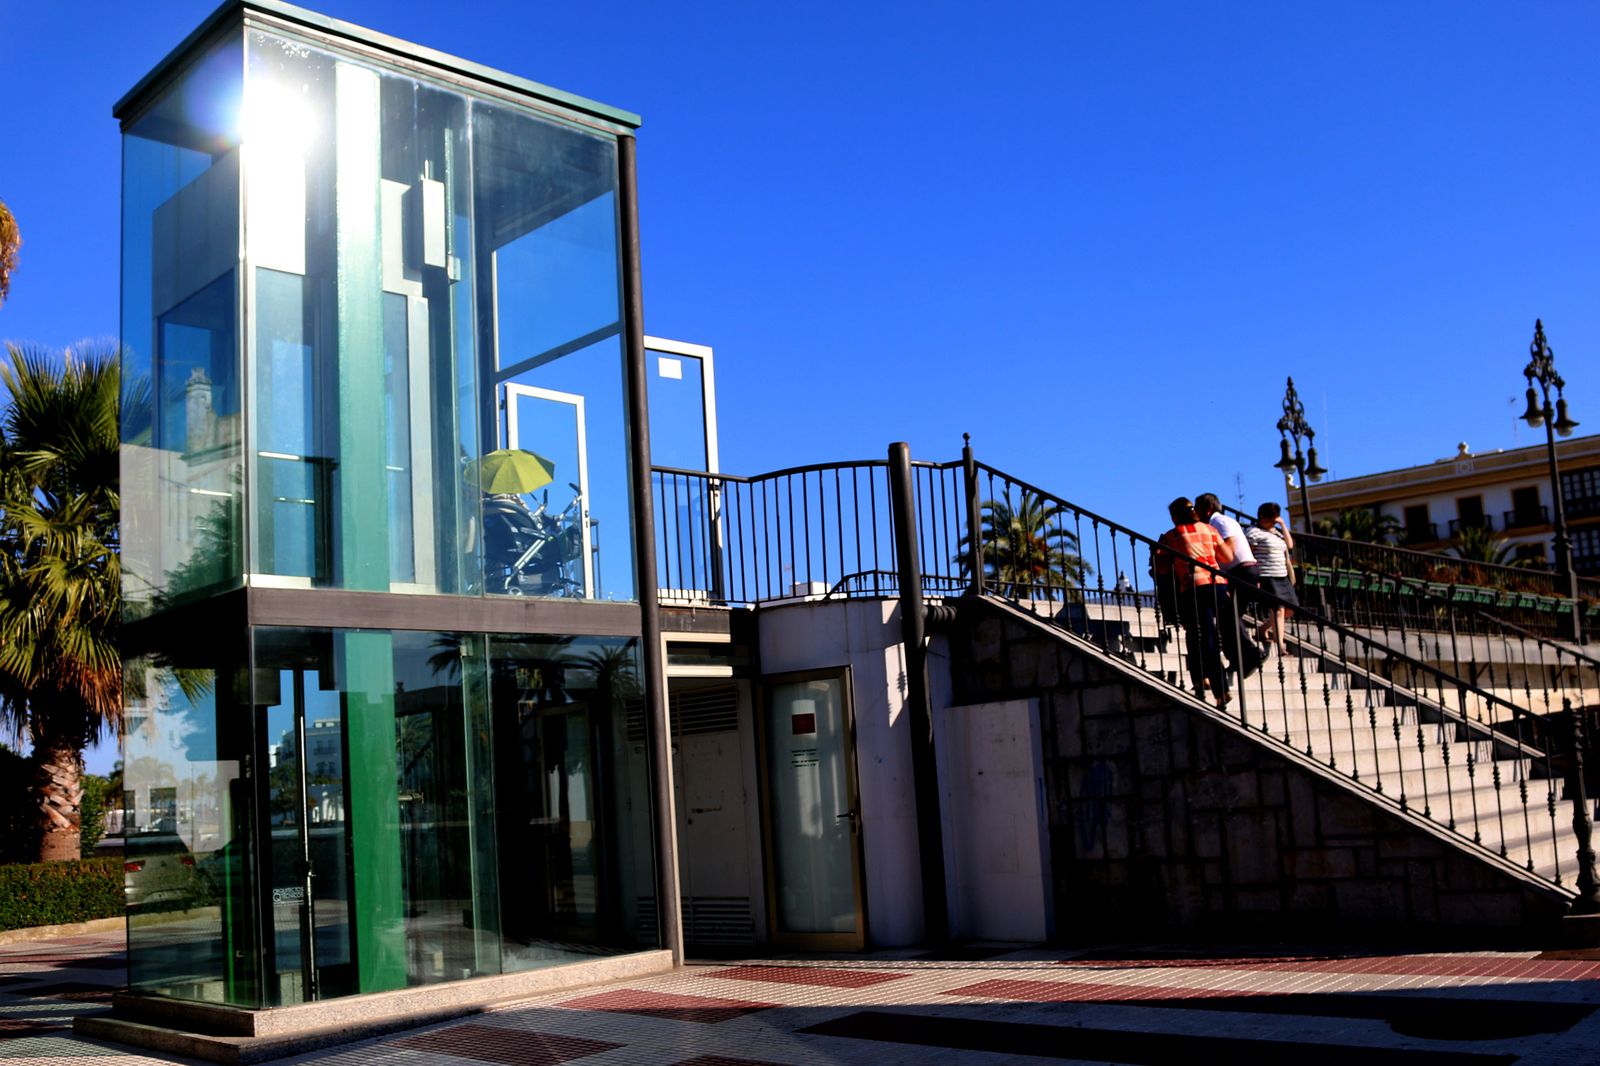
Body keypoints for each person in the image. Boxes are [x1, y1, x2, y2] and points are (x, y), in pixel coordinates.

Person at [1154, 497, 1234, 707]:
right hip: (1218, 585)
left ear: (1174, 517)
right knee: (1202, 633)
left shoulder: (1172, 536)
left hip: (1194, 587)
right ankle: (1202, 679)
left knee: (1204, 636)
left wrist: (1160, 552)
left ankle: (1219, 688)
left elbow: (1161, 568)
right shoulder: (1209, 529)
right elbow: (1227, 556)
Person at [1194, 493, 1262, 681]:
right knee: (1228, 617)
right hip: (1242, 571)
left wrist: (1212, 563)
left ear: (1207, 509)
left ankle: (1252, 653)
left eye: (1198, 509)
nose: (1196, 513)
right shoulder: (1223, 521)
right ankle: (1240, 660)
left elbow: (1229, 547)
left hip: (1240, 571)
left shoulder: (1219, 521)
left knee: (1228, 615)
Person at [1245, 501, 1299, 657]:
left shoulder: (1277, 533)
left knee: (1290, 609)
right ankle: (1280, 645)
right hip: (1267, 575)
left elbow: (1289, 545)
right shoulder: (1253, 532)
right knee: (1278, 610)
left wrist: (1282, 524)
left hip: (1281, 575)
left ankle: (1262, 629)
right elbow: (1250, 553)